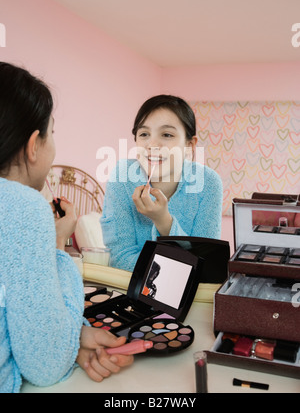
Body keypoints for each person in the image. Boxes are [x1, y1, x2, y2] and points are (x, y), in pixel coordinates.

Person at [0, 62, 133, 393]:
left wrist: (74, 335)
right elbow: (47, 365)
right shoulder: (23, 208)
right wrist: (57, 245)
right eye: (52, 133)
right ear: (34, 145)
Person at [101, 94, 223, 272]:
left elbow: (205, 265)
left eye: (167, 134)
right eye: (144, 134)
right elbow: (119, 259)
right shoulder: (122, 177)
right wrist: (179, 268)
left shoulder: (208, 183)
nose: (152, 145)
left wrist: (163, 221)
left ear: (189, 145)